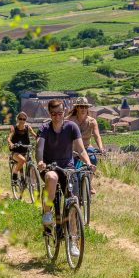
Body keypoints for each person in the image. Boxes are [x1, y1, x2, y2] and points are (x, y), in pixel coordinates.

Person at [37, 99, 94, 255]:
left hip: (67, 168)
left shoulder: (71, 127)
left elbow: (81, 150)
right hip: (50, 167)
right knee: (52, 177)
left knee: (73, 203)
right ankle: (47, 213)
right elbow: (39, 147)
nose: (57, 117)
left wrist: (88, 163)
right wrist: (40, 161)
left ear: (65, 112)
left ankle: (73, 241)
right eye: (54, 114)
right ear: (50, 114)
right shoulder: (44, 128)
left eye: (60, 113)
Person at [66, 97, 104, 193]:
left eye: (85, 107)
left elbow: (97, 135)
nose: (83, 109)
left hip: (86, 147)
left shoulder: (92, 121)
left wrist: (101, 148)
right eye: (81, 107)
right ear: (77, 108)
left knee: (93, 160)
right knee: (72, 168)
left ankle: (89, 183)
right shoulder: (69, 120)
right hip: (73, 149)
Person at [7, 111, 36, 184]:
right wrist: (11, 143)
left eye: (24, 119)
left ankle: (33, 182)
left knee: (31, 164)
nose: (22, 121)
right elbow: (9, 138)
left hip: (25, 150)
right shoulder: (13, 128)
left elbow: (35, 136)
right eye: (20, 118)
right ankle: (15, 173)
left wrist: (40, 140)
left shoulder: (28, 127)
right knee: (22, 160)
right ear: (17, 119)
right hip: (16, 152)